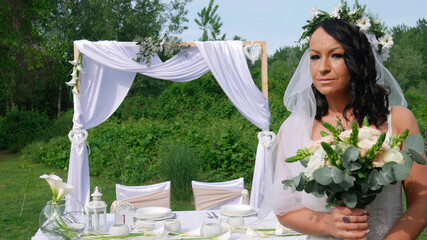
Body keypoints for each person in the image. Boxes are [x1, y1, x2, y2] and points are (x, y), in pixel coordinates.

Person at [259, 5, 427, 240]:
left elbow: (422, 200)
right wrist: (329, 224)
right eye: (315, 56)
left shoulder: (398, 119)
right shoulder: (294, 128)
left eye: (336, 55)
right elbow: (285, 208)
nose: (323, 67)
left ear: (359, 58)